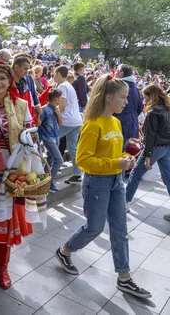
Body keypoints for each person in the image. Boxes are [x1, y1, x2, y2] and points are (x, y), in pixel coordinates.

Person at [55, 74, 152, 299]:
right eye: (123, 97)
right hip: (96, 184)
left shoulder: (116, 121)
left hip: (117, 181)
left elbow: (112, 153)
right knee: (95, 228)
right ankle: (64, 251)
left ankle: (124, 277)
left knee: (120, 231)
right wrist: (115, 162)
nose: (127, 102)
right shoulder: (92, 124)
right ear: (108, 98)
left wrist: (124, 158)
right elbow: (83, 160)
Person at [0, 61, 43, 290]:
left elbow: (33, 138)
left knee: (5, 222)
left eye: (2, 78)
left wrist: (14, 134)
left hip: (13, 173)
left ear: (10, 81)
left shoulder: (22, 105)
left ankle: (3, 268)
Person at [126, 84, 170, 213]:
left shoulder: (154, 112)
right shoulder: (167, 109)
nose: (143, 100)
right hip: (166, 148)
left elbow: (150, 136)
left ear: (152, 96)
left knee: (135, 174)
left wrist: (147, 155)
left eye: (145, 97)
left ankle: (125, 203)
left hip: (156, 147)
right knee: (168, 178)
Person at [54, 65, 83, 184]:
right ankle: (77, 175)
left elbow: (63, 104)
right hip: (76, 121)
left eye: (55, 74)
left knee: (50, 141)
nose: (54, 77)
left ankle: (50, 171)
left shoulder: (62, 86)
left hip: (67, 120)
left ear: (59, 73)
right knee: (73, 149)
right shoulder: (69, 85)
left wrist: (54, 115)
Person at [36, 89, 63, 192]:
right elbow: (38, 123)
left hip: (56, 137)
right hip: (48, 139)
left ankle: (42, 180)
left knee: (50, 160)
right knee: (59, 160)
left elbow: (60, 124)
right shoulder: (45, 110)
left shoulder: (56, 109)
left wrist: (58, 113)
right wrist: (38, 114)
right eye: (60, 98)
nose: (61, 99)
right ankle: (50, 182)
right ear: (56, 99)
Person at [114, 64, 144, 154]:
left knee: (116, 154)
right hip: (130, 124)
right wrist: (132, 116)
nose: (115, 72)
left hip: (118, 123)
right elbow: (140, 107)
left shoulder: (118, 86)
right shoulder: (135, 88)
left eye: (117, 70)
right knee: (122, 153)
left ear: (121, 73)